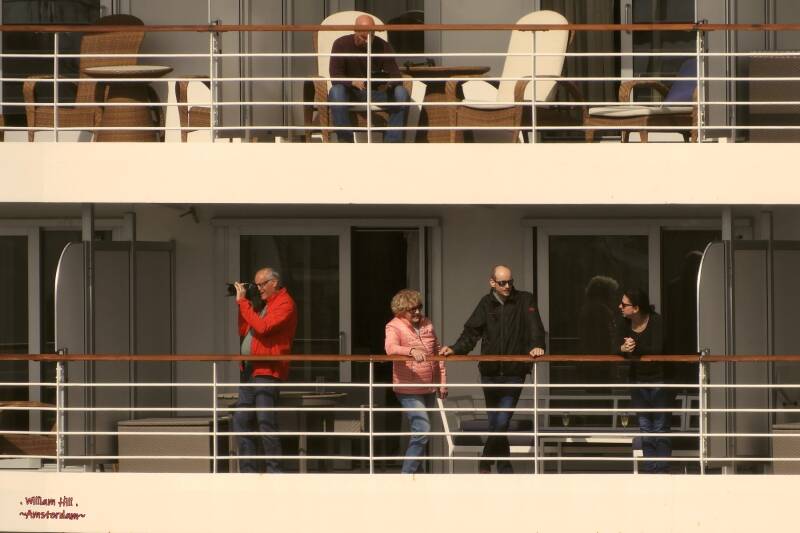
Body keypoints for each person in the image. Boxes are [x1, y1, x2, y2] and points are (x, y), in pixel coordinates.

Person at [439, 265, 545, 474]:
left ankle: (486, 460)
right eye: (503, 283)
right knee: (496, 422)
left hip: (515, 372)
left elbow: (536, 327)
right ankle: (504, 465)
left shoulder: (525, 300)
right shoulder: (486, 304)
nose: (507, 286)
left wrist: (537, 345)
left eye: (510, 282)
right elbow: (471, 333)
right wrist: (455, 349)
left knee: (502, 420)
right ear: (492, 283)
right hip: (489, 373)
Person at [233, 268, 297, 473]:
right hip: (249, 369)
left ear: (274, 283)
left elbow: (263, 328)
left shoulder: (285, 303)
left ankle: (274, 471)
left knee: (265, 420)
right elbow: (244, 330)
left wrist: (243, 303)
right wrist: (248, 303)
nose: (258, 288)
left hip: (267, 370)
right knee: (241, 420)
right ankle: (248, 471)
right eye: (256, 285)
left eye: (261, 284)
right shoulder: (263, 304)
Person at [384, 289, 447, 474]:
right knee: (423, 428)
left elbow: (437, 353)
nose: (418, 312)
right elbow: (390, 348)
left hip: (428, 385)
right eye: (413, 309)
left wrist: (442, 382)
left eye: (419, 308)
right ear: (402, 310)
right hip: (407, 387)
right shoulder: (394, 326)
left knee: (421, 432)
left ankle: (416, 476)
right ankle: (407, 474)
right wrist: (411, 351)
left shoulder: (427, 323)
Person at [328, 14, 409, 143]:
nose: (367, 41)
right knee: (336, 91)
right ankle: (345, 141)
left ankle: (392, 142)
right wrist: (352, 82)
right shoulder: (341, 44)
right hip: (351, 92)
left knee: (401, 92)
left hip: (376, 92)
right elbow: (335, 75)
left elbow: (396, 75)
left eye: (370, 36)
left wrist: (387, 83)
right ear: (355, 31)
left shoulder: (383, 46)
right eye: (363, 37)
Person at [616, 288, 670, 474]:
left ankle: (661, 469)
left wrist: (634, 348)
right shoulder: (624, 323)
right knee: (645, 426)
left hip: (659, 380)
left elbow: (657, 348)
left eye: (624, 304)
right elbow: (611, 344)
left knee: (661, 426)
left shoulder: (656, 321)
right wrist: (622, 348)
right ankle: (650, 468)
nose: (620, 307)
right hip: (637, 381)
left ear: (637, 307)